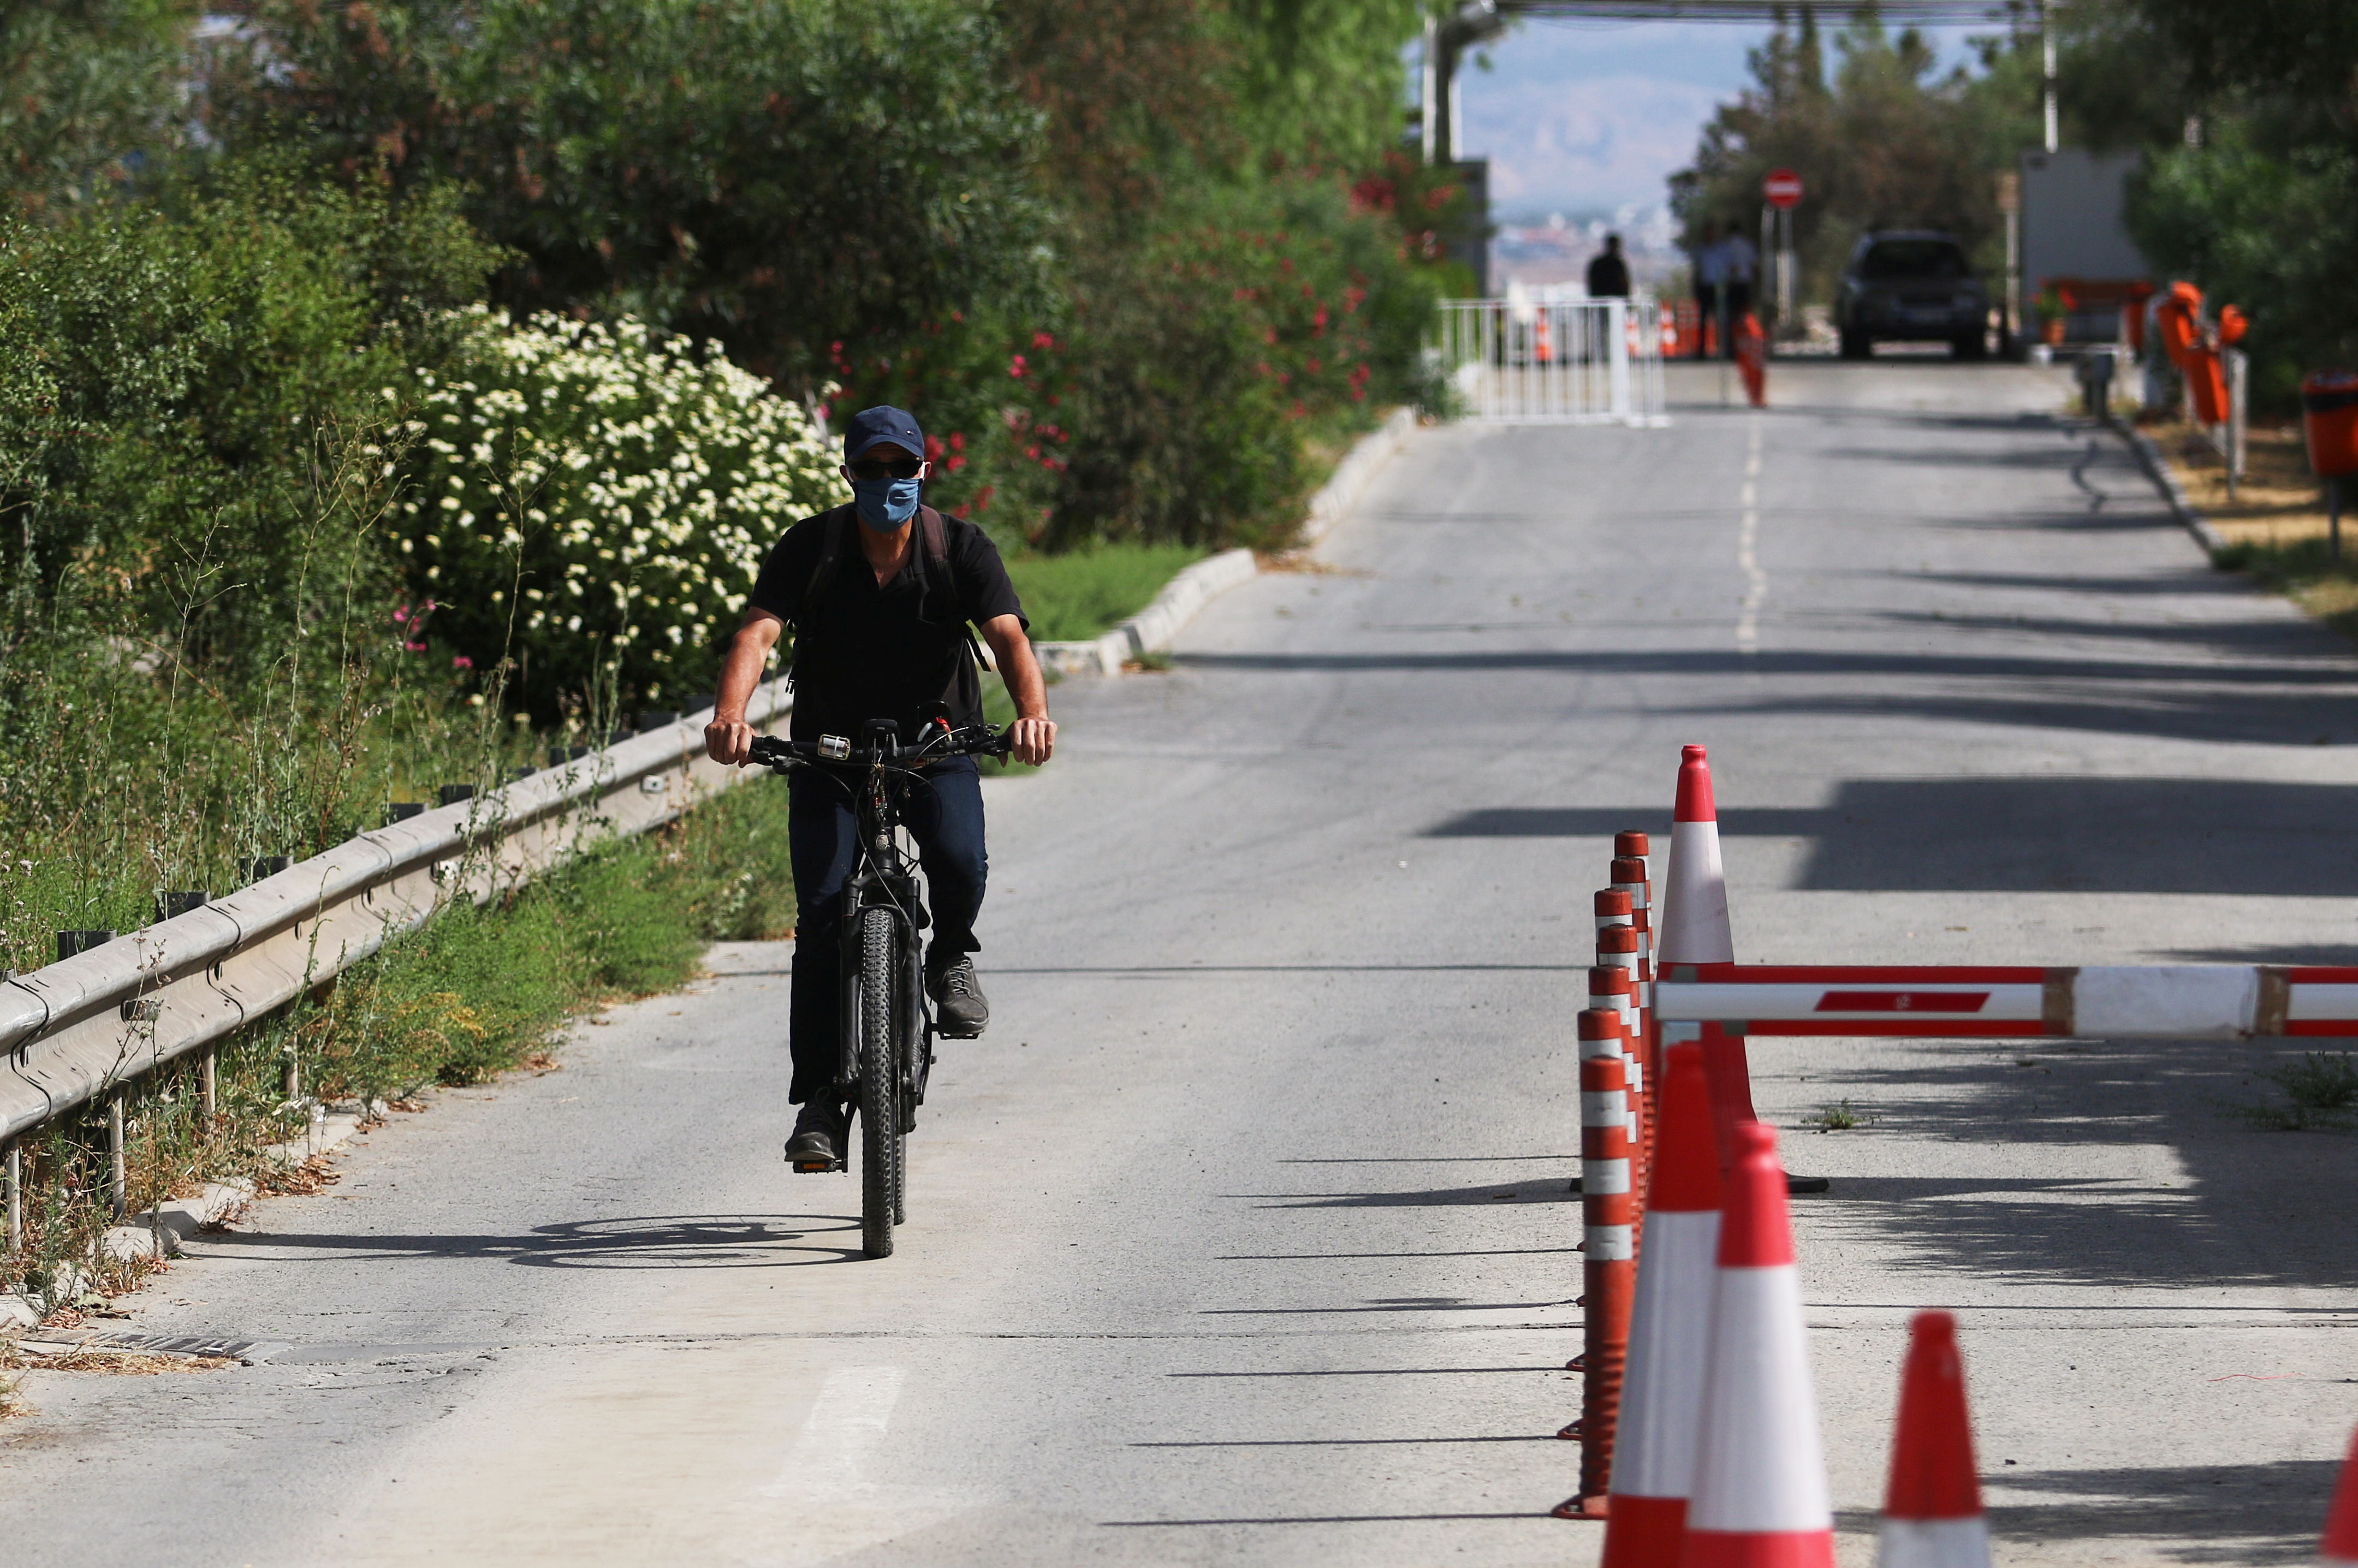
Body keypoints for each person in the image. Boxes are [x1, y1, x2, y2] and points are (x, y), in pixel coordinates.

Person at [704, 405, 1056, 1171]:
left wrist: (1032, 715)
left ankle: (950, 957)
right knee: (825, 912)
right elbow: (757, 633)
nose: (888, 482)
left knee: (960, 857)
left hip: (935, 742)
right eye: (872, 469)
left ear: (922, 473)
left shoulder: (958, 547)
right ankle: (821, 1103)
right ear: (849, 475)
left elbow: (1007, 635)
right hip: (830, 753)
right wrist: (730, 716)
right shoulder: (813, 547)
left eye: (902, 469)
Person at [1720, 224, 1759, 357]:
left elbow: (1729, 266)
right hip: (1745, 284)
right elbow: (1754, 266)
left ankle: (1731, 347)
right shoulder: (1747, 245)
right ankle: (1748, 345)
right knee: (1746, 317)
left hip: (1733, 285)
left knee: (1731, 317)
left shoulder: (1727, 245)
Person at [1691, 220, 1723, 359]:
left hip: (1718, 287)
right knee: (1703, 320)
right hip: (1704, 288)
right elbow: (1697, 270)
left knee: (1721, 320)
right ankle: (1702, 351)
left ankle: (1724, 350)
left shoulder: (1721, 250)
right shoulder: (1701, 250)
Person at [1585, 233, 1630, 300]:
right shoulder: (1617, 263)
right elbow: (1624, 283)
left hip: (1600, 301)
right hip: (1616, 301)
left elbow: (1592, 284)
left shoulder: (1597, 263)